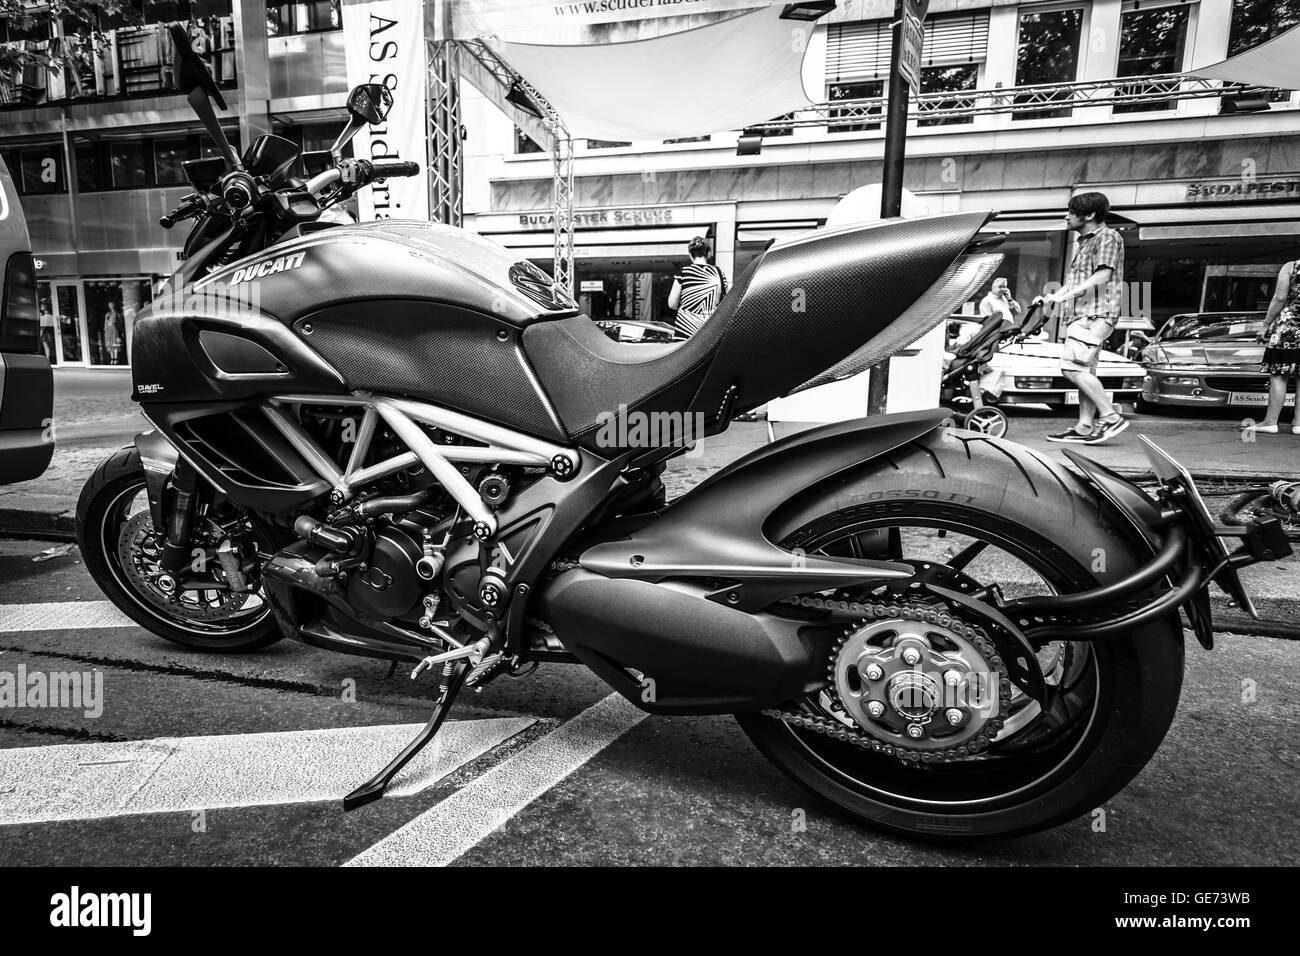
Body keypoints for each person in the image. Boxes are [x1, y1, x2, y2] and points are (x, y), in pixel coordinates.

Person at [1040, 192, 1129, 445]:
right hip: (1084, 313)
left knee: (1071, 367)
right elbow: (1074, 282)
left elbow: (1103, 276)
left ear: (1089, 215)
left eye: (1071, 212)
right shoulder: (1084, 242)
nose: (1066, 216)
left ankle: (1111, 417)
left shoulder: (1108, 237)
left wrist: (1064, 298)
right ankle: (1084, 427)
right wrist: (1052, 297)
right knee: (1085, 370)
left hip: (1096, 313)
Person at [1251, 260, 1300, 434]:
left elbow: (1280, 297)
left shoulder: (1292, 267)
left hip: (1288, 328)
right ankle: (1299, 423)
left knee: (1279, 374)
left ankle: (1270, 422)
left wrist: (1265, 325)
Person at [667, 237, 728, 338]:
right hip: (710, 329)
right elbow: (727, 303)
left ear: (691, 255)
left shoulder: (684, 272)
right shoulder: (719, 273)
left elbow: (672, 303)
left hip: (685, 328)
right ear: (708, 254)